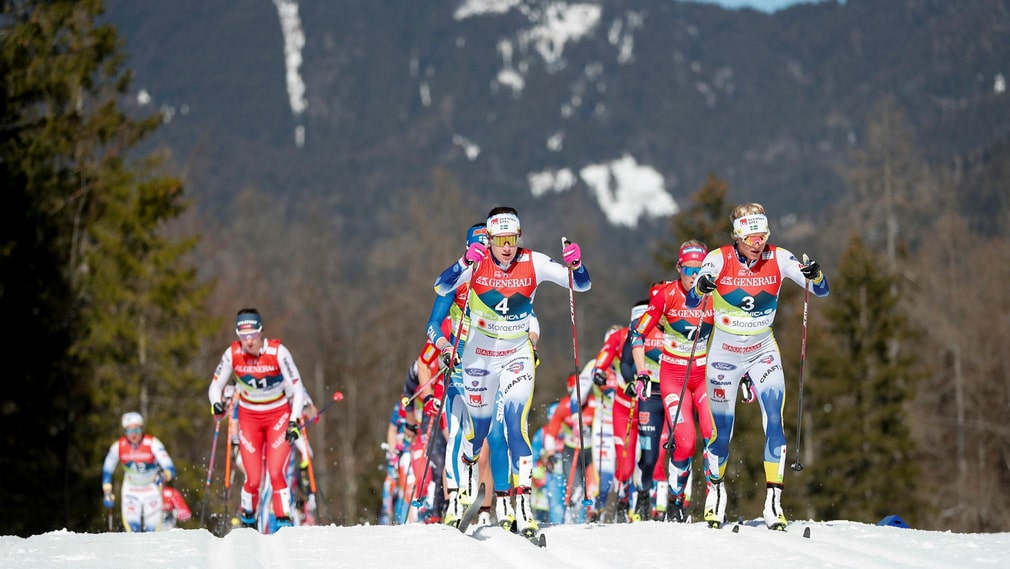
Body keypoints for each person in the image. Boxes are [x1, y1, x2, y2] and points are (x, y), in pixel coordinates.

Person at [433, 206, 590, 539]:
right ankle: (466, 486)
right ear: (489, 239)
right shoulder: (476, 264)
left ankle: (522, 506)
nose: (507, 247)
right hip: (479, 358)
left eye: (512, 239)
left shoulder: (533, 262)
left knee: (516, 426)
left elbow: (581, 285)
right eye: (500, 240)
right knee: (478, 432)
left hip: (516, 354)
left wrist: (577, 265)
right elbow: (441, 288)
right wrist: (463, 263)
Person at [687, 203, 829, 530]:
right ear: (737, 235)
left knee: (775, 420)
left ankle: (773, 503)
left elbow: (821, 290)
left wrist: (815, 275)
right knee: (721, 434)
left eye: (763, 234)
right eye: (751, 235)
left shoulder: (778, 258)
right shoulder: (718, 258)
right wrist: (701, 286)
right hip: (724, 353)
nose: (758, 241)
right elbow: (694, 299)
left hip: (762, 349)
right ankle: (716, 492)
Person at [629, 241, 715, 523]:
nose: (694, 275)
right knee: (686, 442)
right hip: (673, 378)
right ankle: (677, 499)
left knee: (713, 433)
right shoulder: (666, 295)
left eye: (699, 269)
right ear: (679, 268)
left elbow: (735, 334)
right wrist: (642, 371)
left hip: (704, 376)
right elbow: (637, 334)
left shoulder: (715, 295)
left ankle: (715, 493)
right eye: (689, 269)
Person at [207, 308, 306, 531]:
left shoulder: (278, 352)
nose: (249, 341)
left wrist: (293, 421)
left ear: (261, 332)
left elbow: (298, 389)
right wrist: (216, 402)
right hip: (249, 419)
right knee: (253, 478)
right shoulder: (232, 354)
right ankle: (248, 520)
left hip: (277, 417)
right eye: (243, 336)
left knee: (276, 473)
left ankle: (283, 522)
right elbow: (215, 386)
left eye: (253, 335)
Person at [101, 412, 177, 532]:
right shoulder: (119, 446)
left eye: (137, 430)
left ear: (142, 429)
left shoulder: (152, 443)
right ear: (125, 431)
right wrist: (107, 492)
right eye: (129, 431)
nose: (134, 435)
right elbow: (107, 470)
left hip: (151, 490)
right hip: (131, 491)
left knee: (152, 532)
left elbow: (170, 468)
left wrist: (163, 476)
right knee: (133, 530)